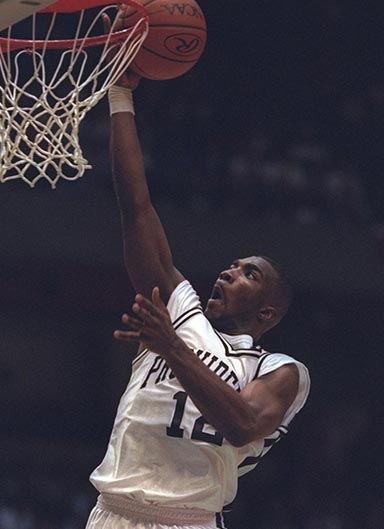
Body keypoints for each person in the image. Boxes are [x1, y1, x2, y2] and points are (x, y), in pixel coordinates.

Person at [85, 10, 310, 529]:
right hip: (111, 515)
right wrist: (120, 95)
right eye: (231, 266)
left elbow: (244, 423)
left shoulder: (281, 371)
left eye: (248, 274)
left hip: (187, 520)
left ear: (269, 310)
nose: (229, 273)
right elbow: (136, 206)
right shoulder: (181, 313)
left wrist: (171, 347)